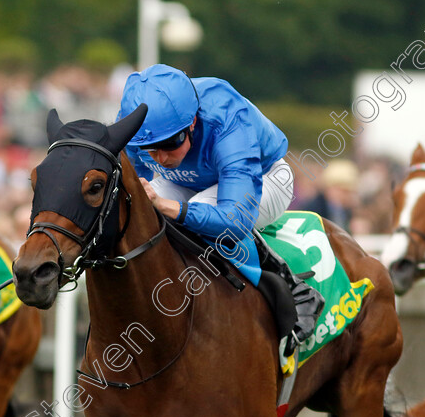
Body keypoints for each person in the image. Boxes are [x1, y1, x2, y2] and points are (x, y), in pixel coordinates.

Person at [116, 64, 322, 352]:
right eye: (150, 148)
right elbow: (134, 179)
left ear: (191, 123)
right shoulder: (136, 119)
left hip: (264, 177)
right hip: (186, 181)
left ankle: (292, 290)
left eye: (170, 143)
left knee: (195, 214)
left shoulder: (227, 117)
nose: (161, 157)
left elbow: (235, 219)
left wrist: (169, 207)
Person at [298, 158, 360, 232]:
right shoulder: (313, 210)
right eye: (344, 191)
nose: (347, 196)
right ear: (330, 188)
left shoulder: (346, 210)